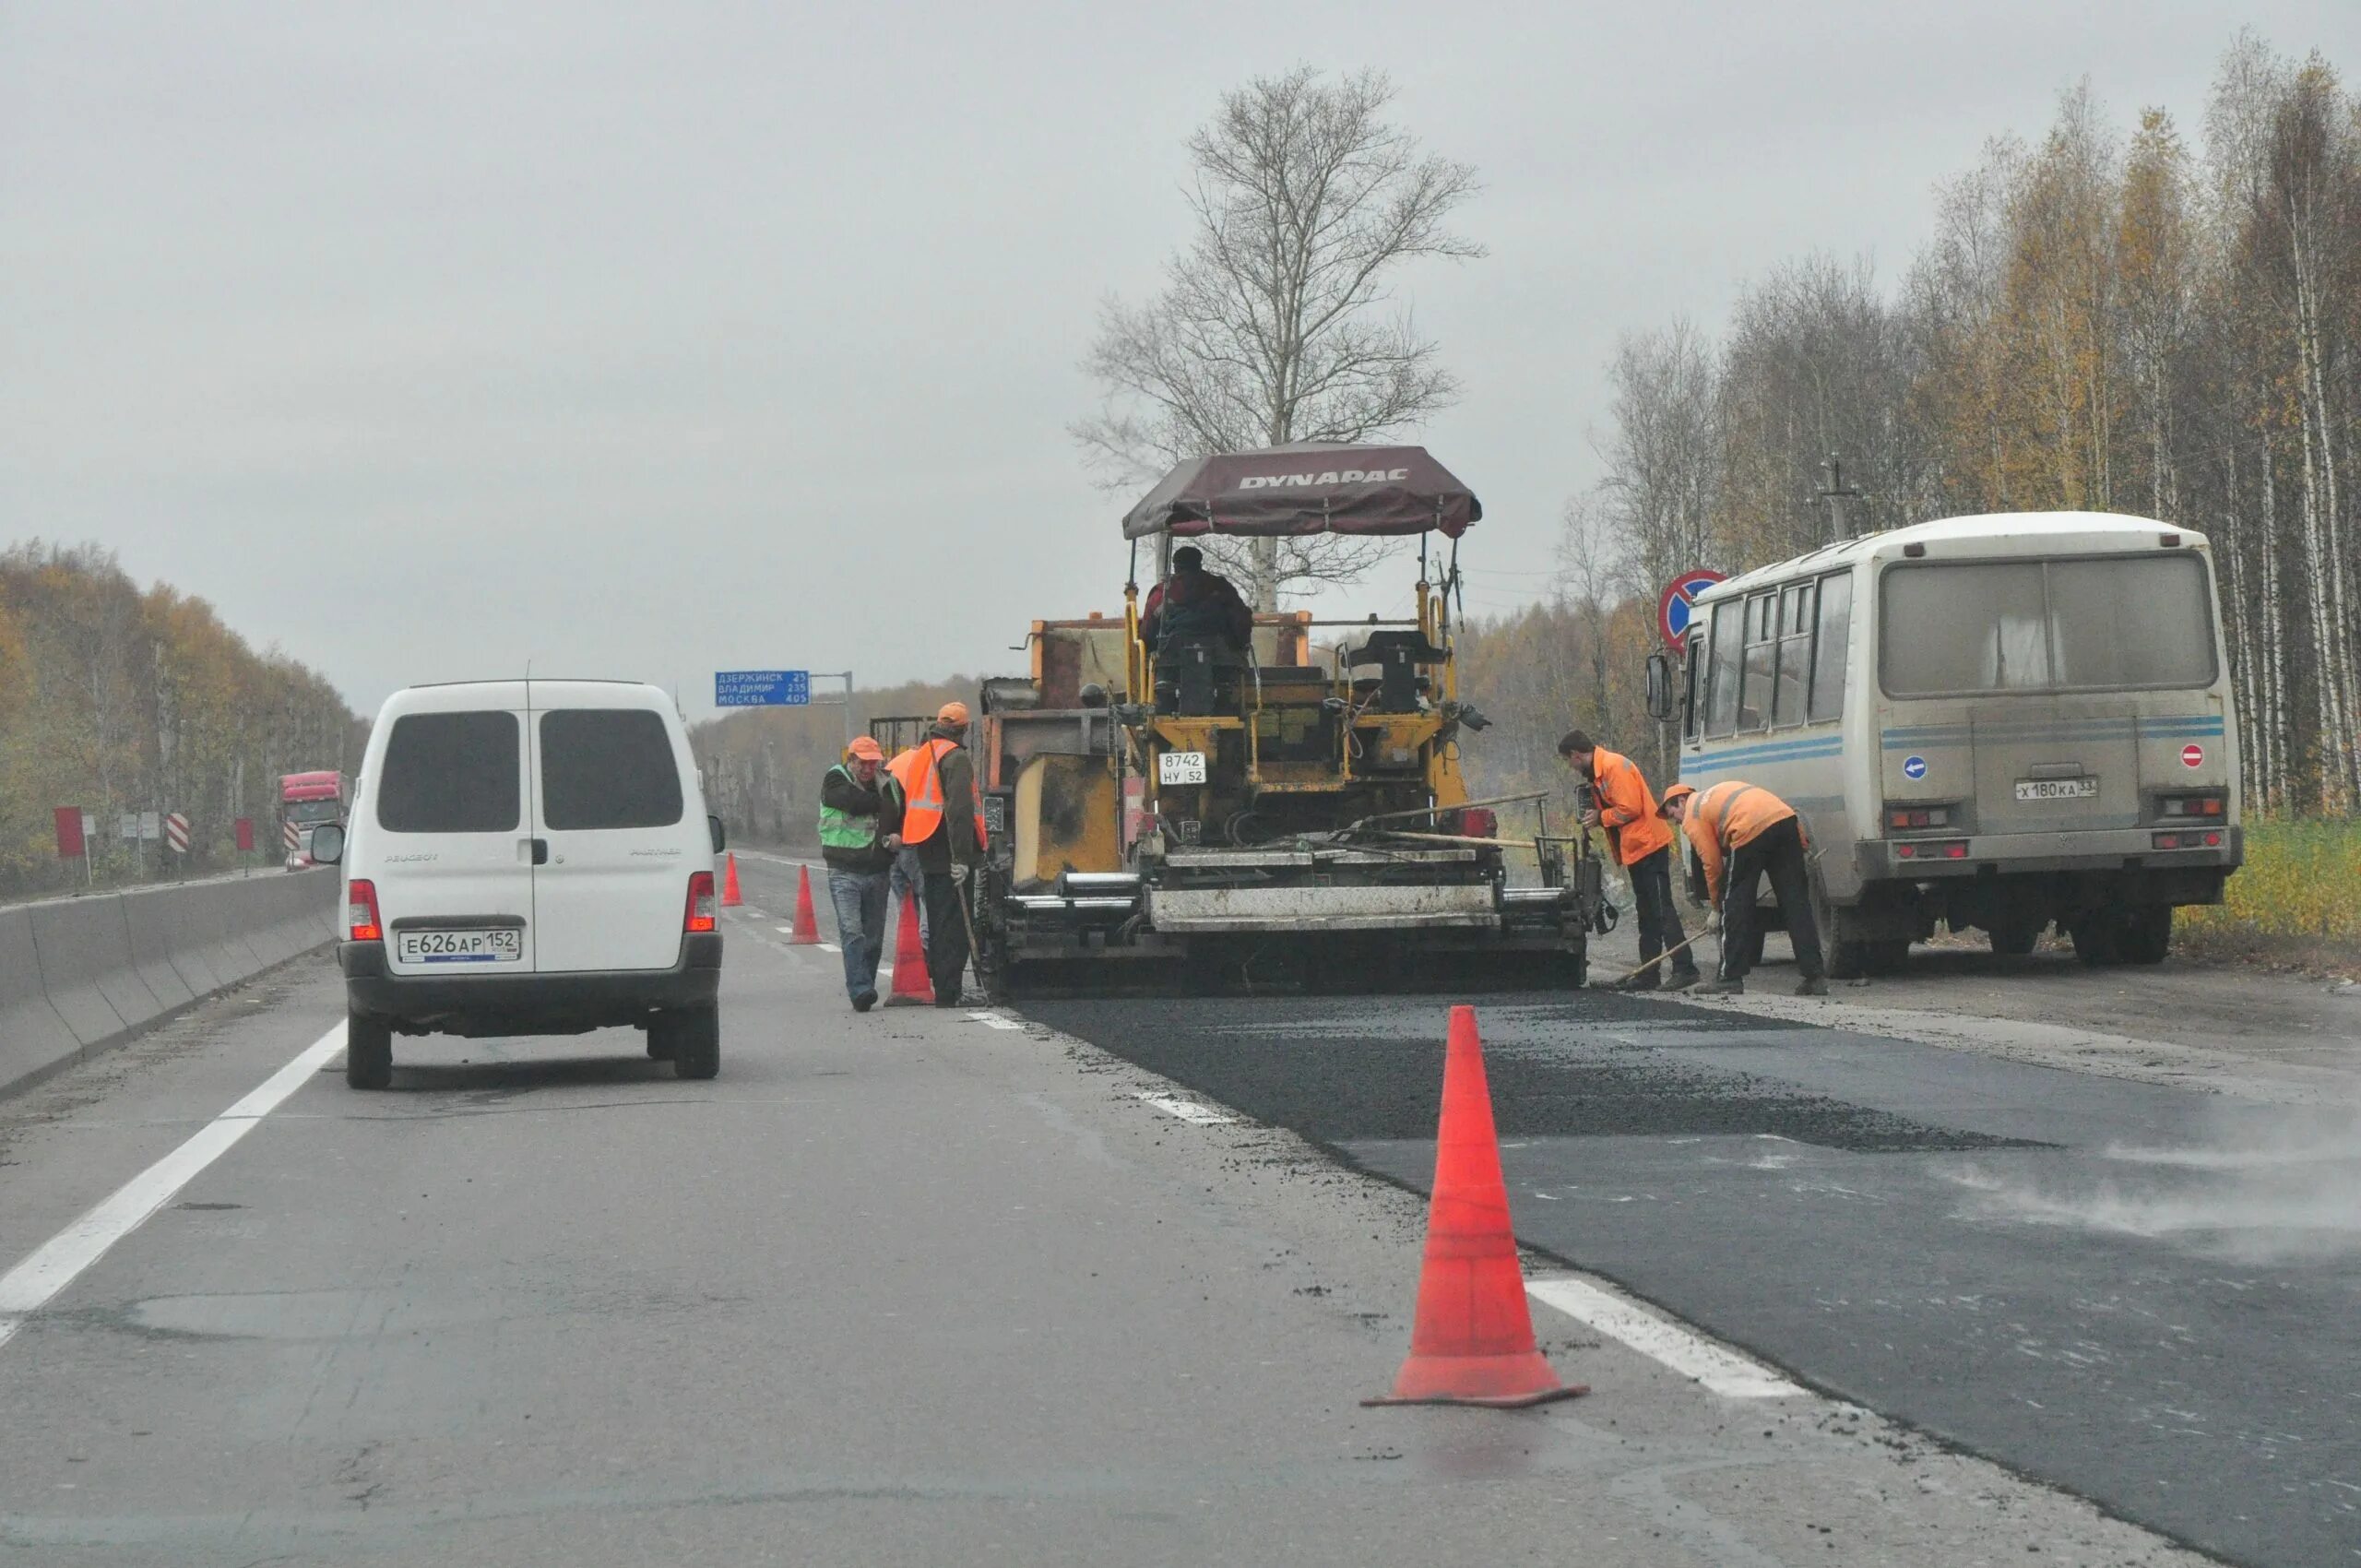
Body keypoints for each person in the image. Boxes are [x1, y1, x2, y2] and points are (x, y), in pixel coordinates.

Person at [1558, 729, 1698, 992]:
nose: (1571, 766)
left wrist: (1601, 817)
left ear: (1576, 755)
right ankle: (1649, 973)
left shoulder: (1612, 767)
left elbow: (1630, 808)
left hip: (1649, 846)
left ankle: (1685, 968)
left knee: (1662, 909)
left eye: (1569, 760)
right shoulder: (1601, 773)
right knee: (1647, 914)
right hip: (1637, 848)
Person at [1659, 781, 1827, 997]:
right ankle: (1815, 977)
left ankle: (1730, 977)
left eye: (1673, 814)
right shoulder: (1716, 795)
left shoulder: (1693, 814)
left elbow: (1712, 864)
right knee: (1797, 905)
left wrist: (1716, 907)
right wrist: (1801, 845)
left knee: (1735, 906)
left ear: (1682, 800)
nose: (1676, 822)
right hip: (1786, 822)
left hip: (1749, 829)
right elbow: (1774, 809)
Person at [890, 701, 985, 1007]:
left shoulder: (922, 755)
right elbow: (959, 811)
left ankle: (944, 987)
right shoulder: (954, 758)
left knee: (939, 919)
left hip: (926, 847)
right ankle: (950, 991)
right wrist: (961, 858)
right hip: (948, 848)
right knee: (954, 924)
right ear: (963, 729)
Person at [818, 735, 903, 1012]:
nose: (868, 768)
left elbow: (899, 814)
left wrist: (895, 839)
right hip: (843, 870)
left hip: (878, 870)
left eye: (873, 763)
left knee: (874, 936)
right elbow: (851, 801)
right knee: (852, 930)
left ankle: (866, 980)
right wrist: (881, 803)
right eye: (863, 763)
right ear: (851, 760)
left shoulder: (889, 784)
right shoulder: (835, 778)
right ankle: (860, 990)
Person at [1139, 544, 1253, 659]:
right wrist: (1240, 647)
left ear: (1175, 568)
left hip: (1172, 662)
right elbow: (1241, 620)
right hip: (1222, 661)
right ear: (1199, 564)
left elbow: (1147, 634)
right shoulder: (1220, 587)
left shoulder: (1161, 593)